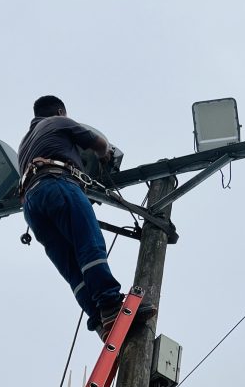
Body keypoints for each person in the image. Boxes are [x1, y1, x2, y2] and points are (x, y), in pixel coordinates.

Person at [18, 95, 156, 341]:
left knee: (71, 265)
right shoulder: (57, 122)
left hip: (31, 204)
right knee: (88, 243)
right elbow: (99, 143)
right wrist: (105, 156)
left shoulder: (24, 145)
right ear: (60, 111)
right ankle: (111, 305)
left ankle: (100, 320)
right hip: (58, 184)